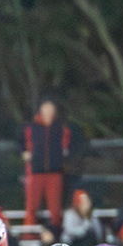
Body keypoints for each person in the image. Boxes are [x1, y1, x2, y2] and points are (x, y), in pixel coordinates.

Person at [21, 98, 79, 231]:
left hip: (55, 173)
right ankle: (29, 235)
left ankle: (56, 235)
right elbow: (20, 143)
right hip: (35, 172)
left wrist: (64, 157)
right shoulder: (31, 127)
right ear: (41, 109)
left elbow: (69, 146)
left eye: (51, 108)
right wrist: (24, 153)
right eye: (46, 108)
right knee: (31, 207)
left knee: (55, 208)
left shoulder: (61, 128)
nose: (48, 111)